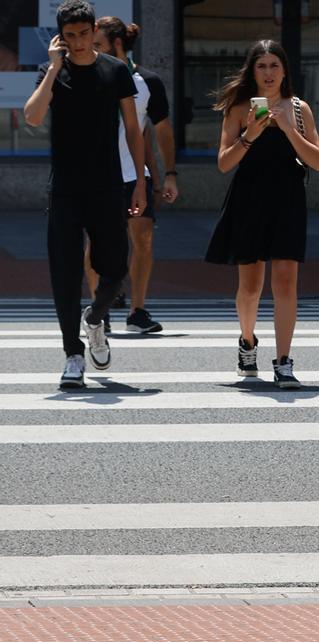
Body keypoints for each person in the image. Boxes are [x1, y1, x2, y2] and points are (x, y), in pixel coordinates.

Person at [23, 0, 146, 389]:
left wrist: (140, 181)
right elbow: (32, 116)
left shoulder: (114, 71)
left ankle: (95, 318)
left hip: (109, 186)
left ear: (94, 31)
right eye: (69, 36)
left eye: (82, 34)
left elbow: (132, 127)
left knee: (115, 270)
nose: (77, 42)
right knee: (64, 273)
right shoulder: (52, 72)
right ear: (61, 37)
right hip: (65, 190)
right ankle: (72, 355)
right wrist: (55, 66)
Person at [205, 39, 319, 389]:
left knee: (286, 281)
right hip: (249, 200)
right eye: (262, 66)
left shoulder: (299, 109)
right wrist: (250, 135)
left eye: (275, 65)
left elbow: (317, 160)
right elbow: (224, 163)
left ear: (285, 70)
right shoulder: (239, 109)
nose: (269, 73)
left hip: (288, 200)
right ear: (252, 71)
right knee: (251, 286)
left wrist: (288, 127)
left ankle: (284, 362)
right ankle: (247, 340)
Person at [84, 16, 180, 334]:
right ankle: (102, 308)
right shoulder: (89, 75)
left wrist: (168, 174)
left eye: (98, 45)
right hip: (97, 175)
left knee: (143, 239)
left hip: (134, 173)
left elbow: (160, 131)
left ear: (118, 44)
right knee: (96, 243)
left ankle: (137, 311)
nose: (92, 50)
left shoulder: (147, 82)